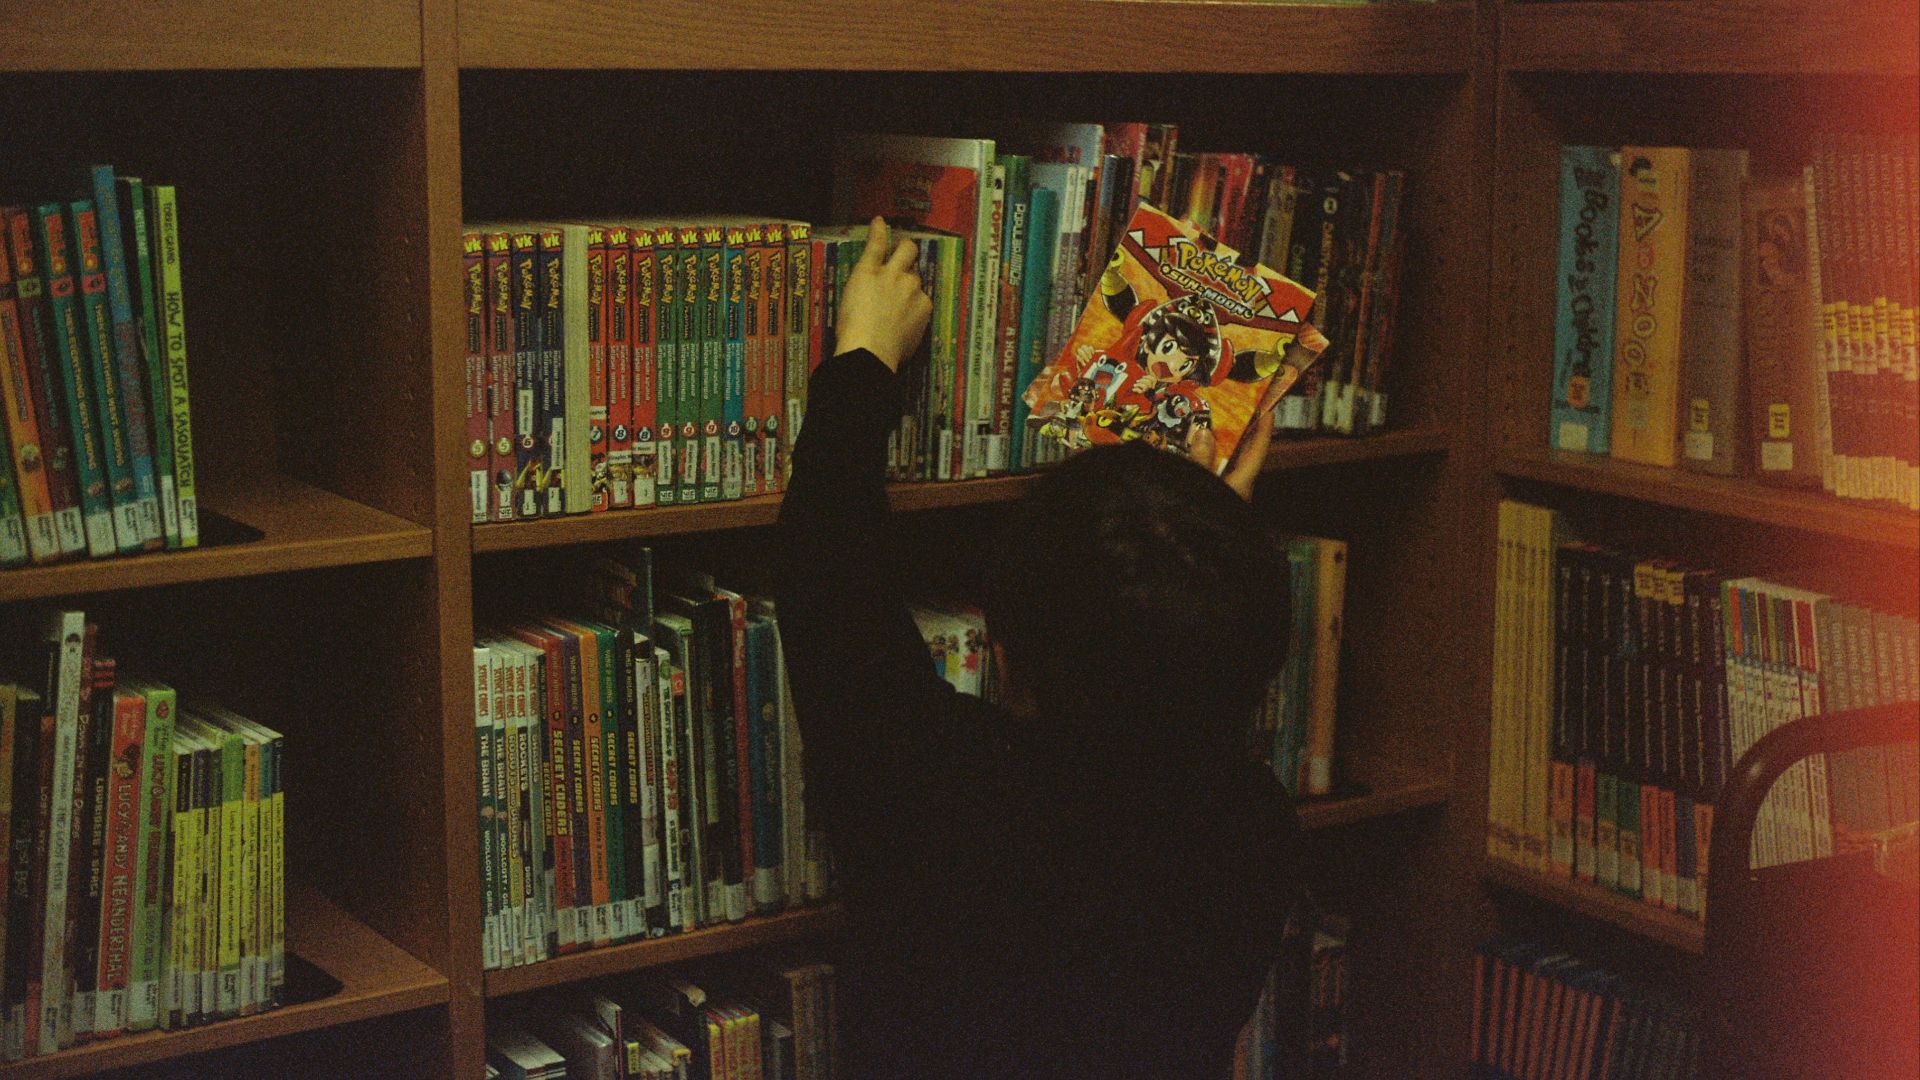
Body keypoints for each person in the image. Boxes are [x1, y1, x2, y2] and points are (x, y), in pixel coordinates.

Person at [774, 218, 1303, 1080]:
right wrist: (1196, 533)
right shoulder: (1253, 831)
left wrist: (863, 358)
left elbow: (826, 579)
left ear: (999, 648)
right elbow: (1185, 664)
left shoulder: (937, 794)